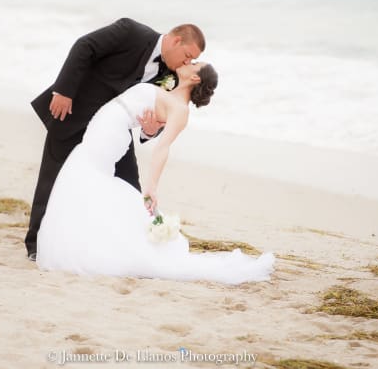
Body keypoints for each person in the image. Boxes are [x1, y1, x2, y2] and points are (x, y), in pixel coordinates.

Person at [36, 63, 275, 285]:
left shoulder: (180, 110)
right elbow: (146, 122)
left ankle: (83, 248)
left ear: (194, 77)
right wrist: (149, 128)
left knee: (85, 177)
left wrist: (151, 187)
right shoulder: (168, 90)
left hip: (108, 136)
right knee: (88, 184)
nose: (189, 62)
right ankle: (86, 242)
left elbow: (163, 148)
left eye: (195, 64)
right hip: (106, 130)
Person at [26, 18, 206, 260]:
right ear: (175, 40)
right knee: (53, 176)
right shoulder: (130, 32)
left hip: (114, 132)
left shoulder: (172, 77)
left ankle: (136, 246)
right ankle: (36, 244)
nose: (186, 63)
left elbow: (157, 115)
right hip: (74, 112)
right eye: (186, 55)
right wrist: (64, 91)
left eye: (191, 61)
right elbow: (84, 46)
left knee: (130, 185)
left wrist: (150, 130)